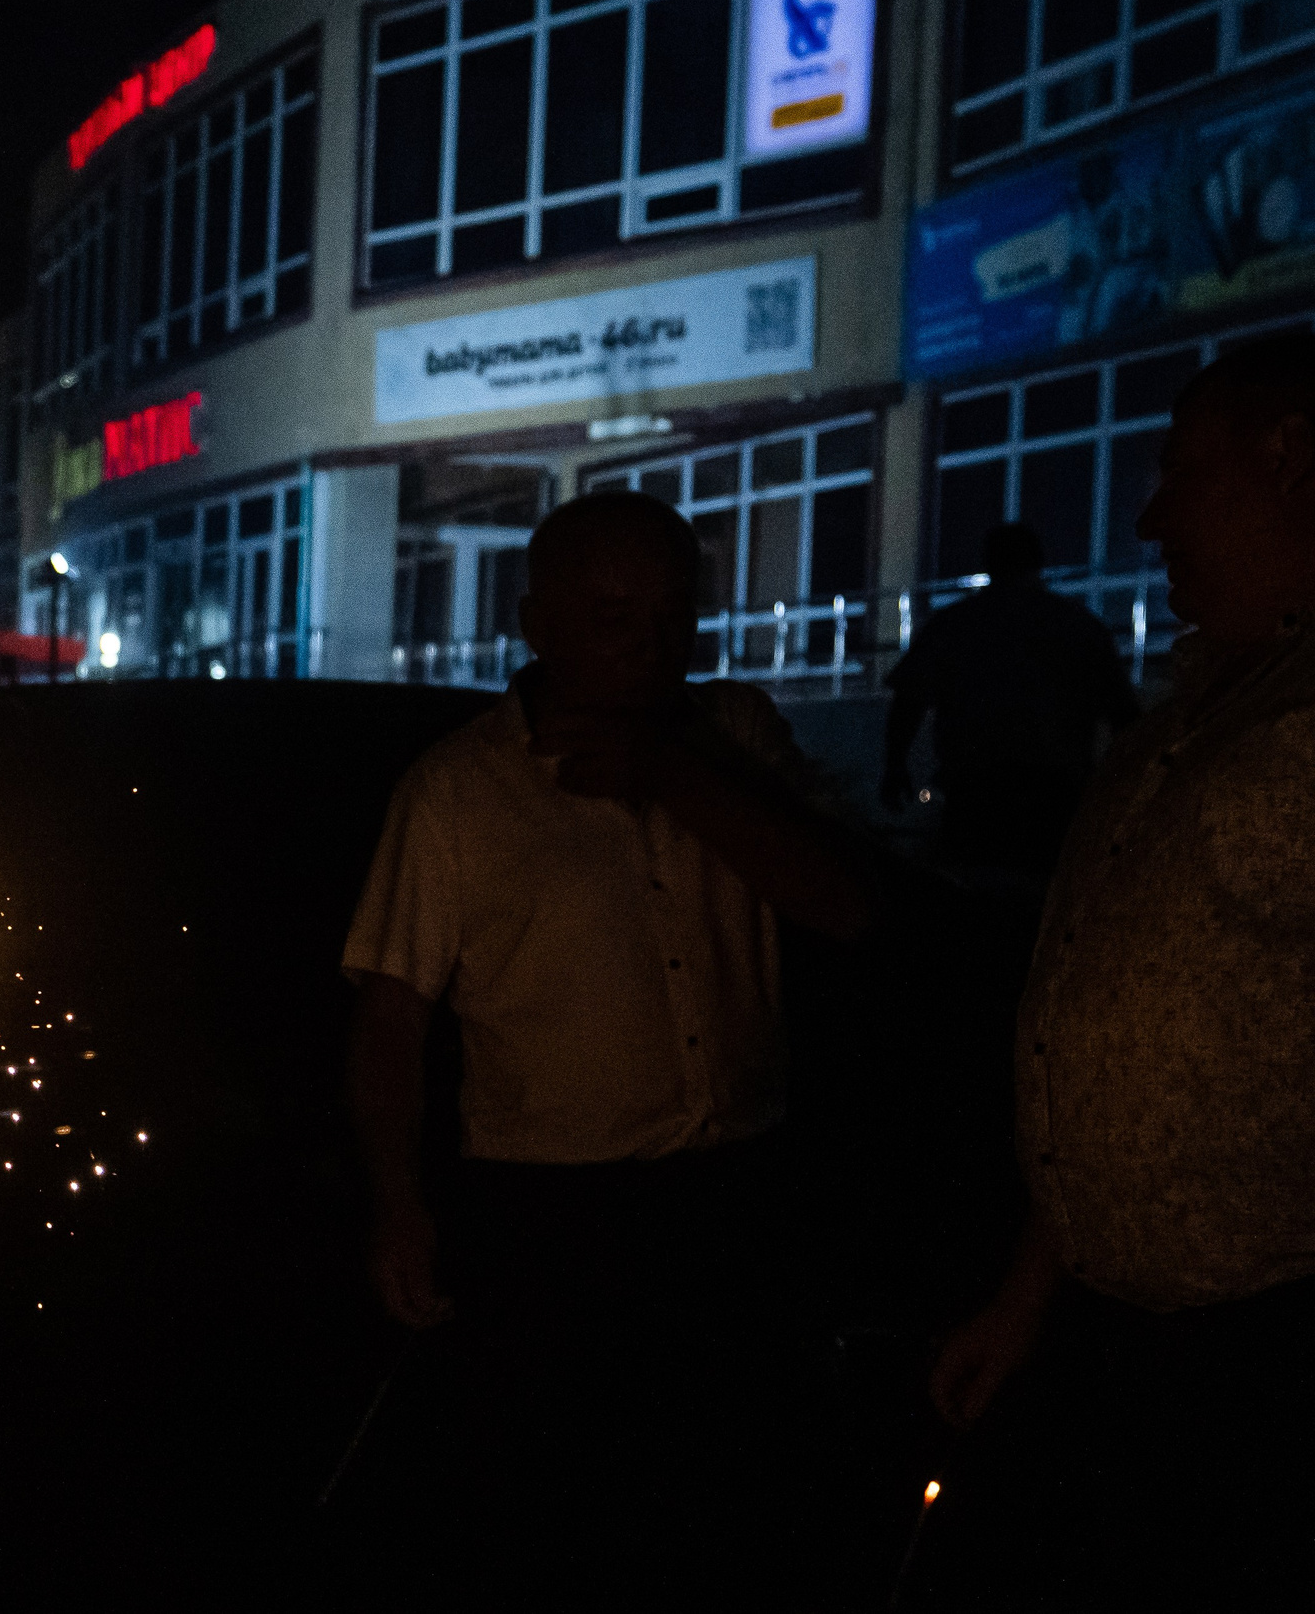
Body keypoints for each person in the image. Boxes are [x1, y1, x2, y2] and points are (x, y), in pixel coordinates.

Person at [342, 489, 872, 1604]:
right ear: (537, 623)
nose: (648, 650)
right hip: (552, 1218)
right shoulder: (453, 793)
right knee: (565, 1518)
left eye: (671, 620)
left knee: (733, 1512)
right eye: (613, 619)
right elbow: (392, 1019)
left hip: (738, 1192)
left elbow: (843, 903)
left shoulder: (733, 738)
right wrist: (399, 1203)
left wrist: (679, 778)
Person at [921, 331, 1313, 1606]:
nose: (1148, 517)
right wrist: (1031, 1293)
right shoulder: (1197, 702)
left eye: (1178, 475)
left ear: (1289, 465)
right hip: (1121, 1334)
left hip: (1263, 1357)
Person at [881, 522, 1139, 875]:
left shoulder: (957, 624)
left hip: (976, 792)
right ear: (1039, 562)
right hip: (1056, 792)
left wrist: (895, 766)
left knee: (973, 898)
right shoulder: (1077, 625)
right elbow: (1123, 713)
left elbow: (909, 700)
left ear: (990, 563)